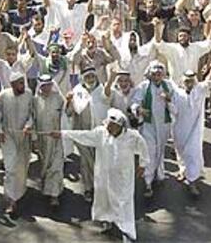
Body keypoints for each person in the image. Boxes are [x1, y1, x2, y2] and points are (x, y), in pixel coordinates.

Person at [51, 108, 149, 242]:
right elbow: (83, 135)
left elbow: (143, 147)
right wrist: (63, 133)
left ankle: (127, 232)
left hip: (122, 178)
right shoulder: (101, 133)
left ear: (119, 126)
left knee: (123, 203)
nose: (108, 128)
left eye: (112, 126)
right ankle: (108, 222)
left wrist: (143, 164)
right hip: (103, 175)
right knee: (105, 200)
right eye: (108, 125)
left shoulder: (132, 136)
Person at [65, 67, 115, 202]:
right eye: (87, 77)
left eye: (92, 77)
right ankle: (88, 188)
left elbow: (107, 96)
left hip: (99, 133)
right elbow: (69, 113)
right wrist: (69, 100)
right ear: (83, 78)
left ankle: (100, 187)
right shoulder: (77, 91)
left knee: (100, 160)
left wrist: (111, 79)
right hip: (82, 131)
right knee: (86, 161)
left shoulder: (101, 89)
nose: (90, 80)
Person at [131, 61, 176, 198]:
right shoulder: (143, 86)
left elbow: (176, 105)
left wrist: (168, 100)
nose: (157, 75)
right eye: (155, 73)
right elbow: (135, 102)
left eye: (159, 73)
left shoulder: (168, 85)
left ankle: (159, 173)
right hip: (148, 125)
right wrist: (139, 109)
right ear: (150, 74)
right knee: (150, 151)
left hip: (163, 124)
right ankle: (148, 181)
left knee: (161, 150)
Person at [171, 69, 211, 196]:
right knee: (181, 153)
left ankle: (192, 182)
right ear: (183, 81)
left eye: (191, 81)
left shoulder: (199, 90)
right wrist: (168, 100)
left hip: (195, 131)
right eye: (187, 81)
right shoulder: (177, 93)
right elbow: (174, 111)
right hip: (179, 129)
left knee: (192, 154)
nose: (189, 83)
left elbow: (208, 81)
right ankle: (183, 170)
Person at [0, 71, 34, 214]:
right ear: (12, 85)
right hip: (8, 136)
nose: (22, 85)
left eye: (23, 82)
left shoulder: (29, 94)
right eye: (19, 83)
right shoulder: (3, 95)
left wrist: (29, 125)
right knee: (10, 168)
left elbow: (32, 114)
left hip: (24, 136)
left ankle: (20, 192)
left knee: (22, 167)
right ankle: (11, 201)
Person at [32, 74, 65, 206]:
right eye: (44, 86)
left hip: (57, 137)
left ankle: (54, 195)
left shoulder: (58, 98)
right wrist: (34, 138)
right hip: (42, 139)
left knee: (56, 165)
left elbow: (66, 115)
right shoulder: (35, 100)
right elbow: (32, 119)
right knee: (45, 164)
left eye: (49, 85)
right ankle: (47, 186)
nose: (47, 88)